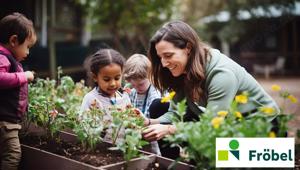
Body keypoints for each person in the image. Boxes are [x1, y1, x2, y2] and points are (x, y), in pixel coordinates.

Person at [142, 20, 279, 143]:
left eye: (168, 55)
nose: (164, 63)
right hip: (228, 122)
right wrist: (149, 122)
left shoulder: (222, 74)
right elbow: (177, 113)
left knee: (217, 149)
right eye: (160, 57)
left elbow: (212, 126)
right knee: (159, 106)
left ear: (188, 48)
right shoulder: (182, 71)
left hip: (263, 128)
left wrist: (169, 129)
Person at [0, 12, 36, 170]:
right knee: (13, 154)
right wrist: (23, 76)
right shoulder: (2, 57)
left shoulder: (8, 59)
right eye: (27, 47)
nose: (28, 52)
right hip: (5, 123)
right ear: (14, 40)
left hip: (8, 122)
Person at [80, 48, 131, 142]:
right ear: (95, 77)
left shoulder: (124, 97)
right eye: (107, 79)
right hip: (100, 151)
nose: (113, 83)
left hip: (123, 149)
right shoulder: (91, 99)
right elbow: (84, 126)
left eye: (117, 78)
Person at [123, 53, 161, 155]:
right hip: (138, 138)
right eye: (133, 84)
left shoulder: (155, 95)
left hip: (153, 138)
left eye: (140, 84)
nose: (137, 88)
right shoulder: (133, 92)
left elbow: (159, 119)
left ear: (150, 76)